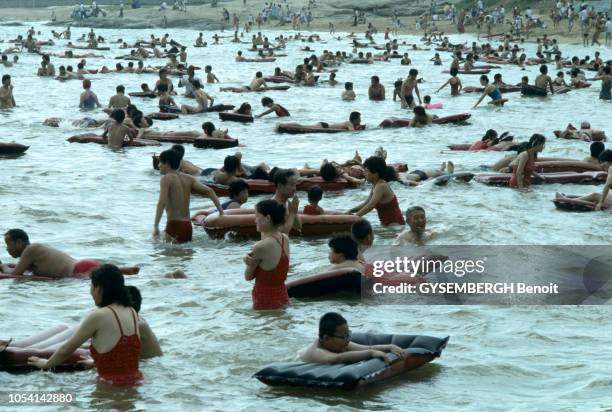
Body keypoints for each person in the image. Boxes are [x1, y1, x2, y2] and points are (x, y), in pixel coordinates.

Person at [27, 264, 144, 385]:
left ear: (99, 289)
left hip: (109, 387)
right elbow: (122, 356)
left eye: (92, 287)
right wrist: (95, 363)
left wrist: (46, 363)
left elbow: (66, 349)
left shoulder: (99, 315)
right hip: (136, 384)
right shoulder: (131, 312)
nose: (91, 292)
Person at [1, 229, 138, 278]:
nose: (7, 249)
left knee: (104, 276)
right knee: (109, 274)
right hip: (84, 265)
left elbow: (15, 274)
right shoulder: (34, 250)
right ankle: (121, 269)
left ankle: (121, 270)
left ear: (19, 242)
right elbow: (20, 267)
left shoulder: (29, 250)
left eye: (8, 244)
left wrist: (2, 267)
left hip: (78, 271)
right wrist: (8, 265)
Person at [154, 149, 224, 243]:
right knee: (185, 255)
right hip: (187, 226)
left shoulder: (166, 178)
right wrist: (221, 212)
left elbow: (162, 203)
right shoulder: (189, 178)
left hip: (174, 225)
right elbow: (210, 191)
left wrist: (156, 226)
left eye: (160, 163)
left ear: (166, 163)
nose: (158, 165)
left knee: (164, 253)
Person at [298, 312, 405, 363]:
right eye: (344, 337)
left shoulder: (339, 342)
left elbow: (368, 347)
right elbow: (339, 358)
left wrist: (390, 347)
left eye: (348, 335)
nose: (348, 340)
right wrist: (371, 353)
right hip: (298, 360)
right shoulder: (317, 352)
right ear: (326, 338)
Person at [244, 199, 290, 310]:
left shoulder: (261, 246)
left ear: (268, 218)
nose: (255, 220)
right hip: (282, 296)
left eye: (257, 216)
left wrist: (248, 262)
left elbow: (248, 277)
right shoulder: (285, 238)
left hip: (264, 301)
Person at [347, 156, 404, 226]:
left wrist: (354, 218)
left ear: (376, 173)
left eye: (367, 171)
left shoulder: (381, 186)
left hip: (395, 225)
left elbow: (371, 205)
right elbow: (366, 203)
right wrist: (351, 210)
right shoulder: (375, 185)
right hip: (387, 225)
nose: (364, 173)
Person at [271, 169, 301, 234]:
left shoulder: (287, 203)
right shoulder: (274, 205)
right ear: (280, 186)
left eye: (295, 185)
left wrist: (294, 212)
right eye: (291, 185)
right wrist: (292, 213)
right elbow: (281, 232)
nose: (294, 189)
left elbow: (298, 227)